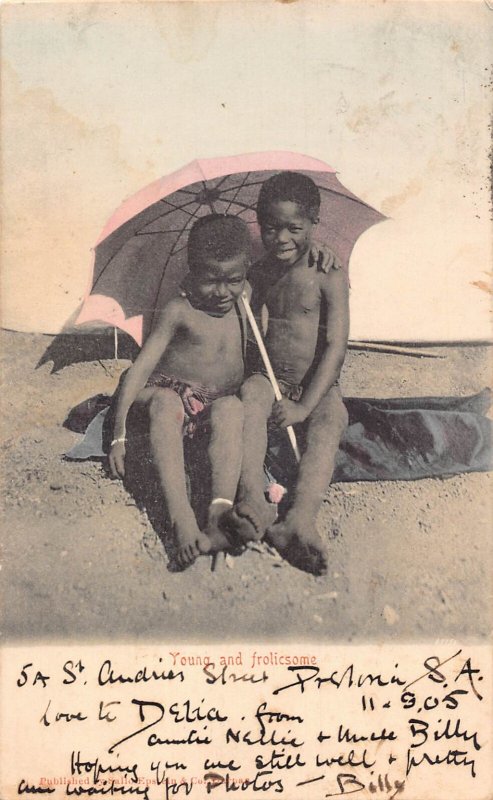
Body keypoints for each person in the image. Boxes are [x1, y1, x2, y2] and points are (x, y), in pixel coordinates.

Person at [225, 171, 349, 576]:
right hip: (271, 378)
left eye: (294, 229)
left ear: (314, 223)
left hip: (316, 385)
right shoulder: (260, 271)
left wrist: (304, 407)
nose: (280, 238)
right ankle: (251, 498)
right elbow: (247, 330)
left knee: (331, 419)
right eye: (270, 227)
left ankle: (299, 518)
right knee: (251, 395)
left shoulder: (328, 273)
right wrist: (241, 293)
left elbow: (336, 346)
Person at [108, 214, 250, 569]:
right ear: (192, 271)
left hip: (211, 406)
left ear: (245, 271)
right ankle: (181, 516)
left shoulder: (245, 300)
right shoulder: (179, 311)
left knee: (232, 408)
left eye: (233, 280)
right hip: (165, 397)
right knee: (167, 402)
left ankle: (219, 510)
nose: (223, 292)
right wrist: (118, 435)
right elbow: (139, 372)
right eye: (211, 280)